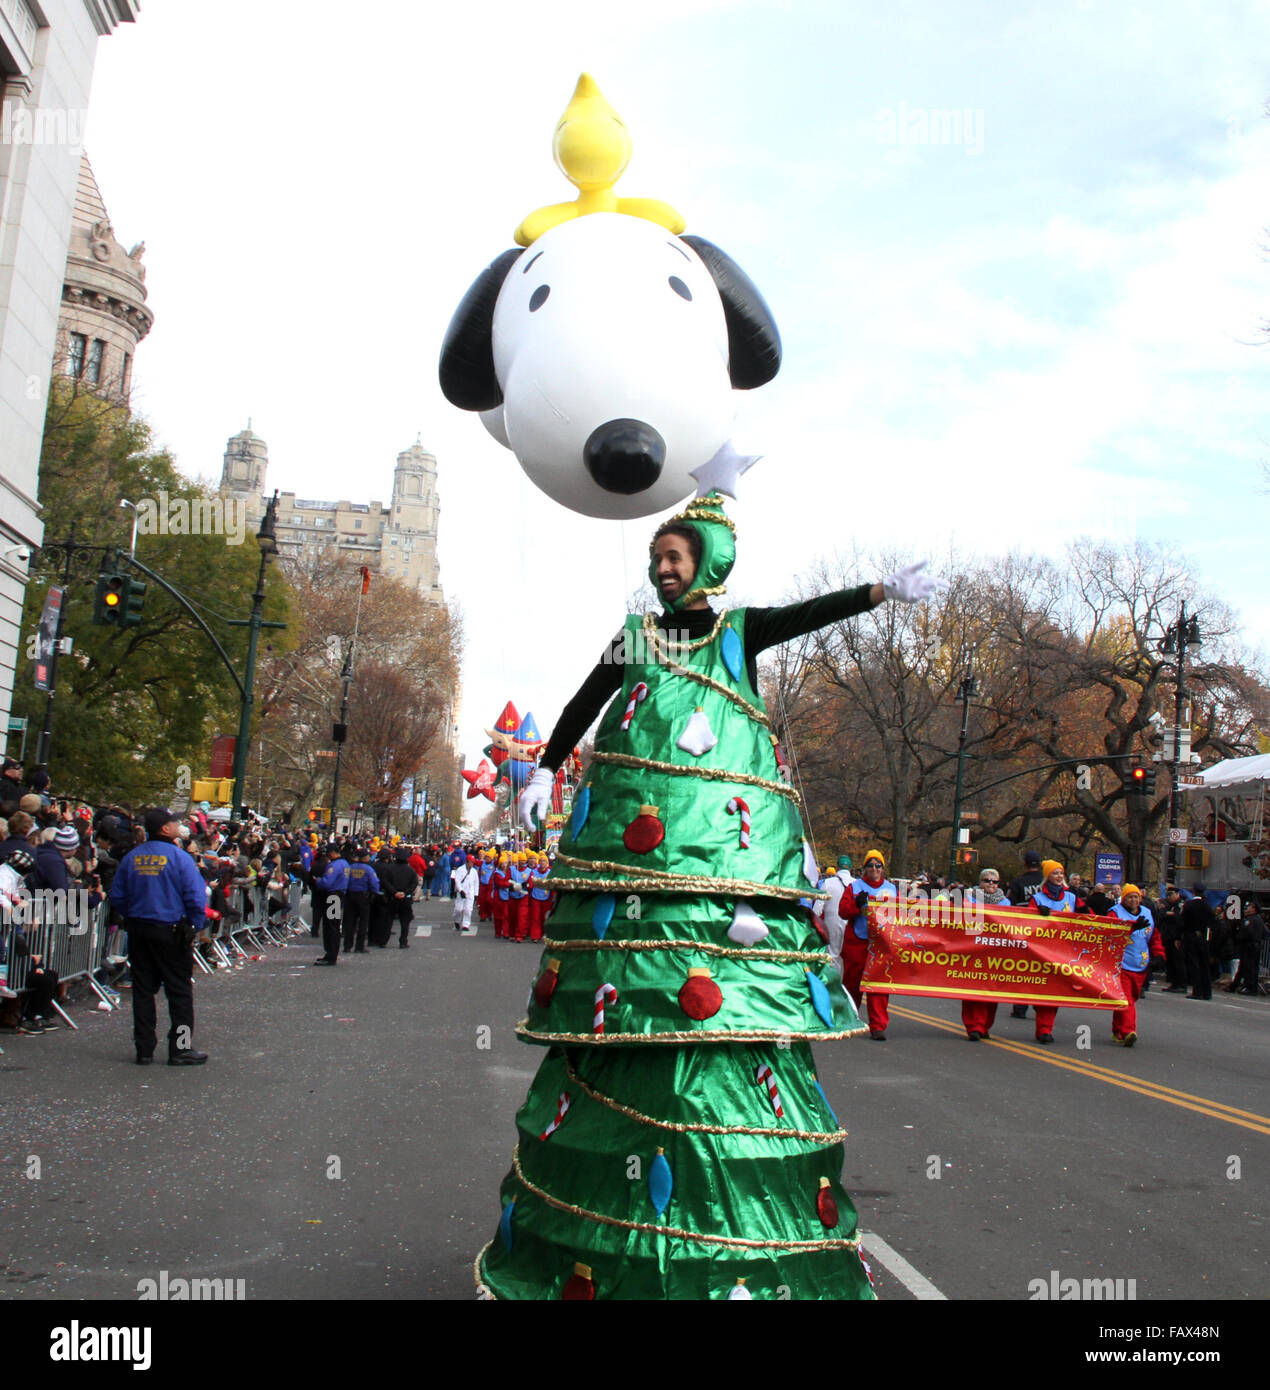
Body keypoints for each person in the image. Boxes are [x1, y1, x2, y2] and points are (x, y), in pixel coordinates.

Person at [491, 493, 944, 1300]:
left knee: (721, 994)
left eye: (676, 558)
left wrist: (879, 592)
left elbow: (811, 613)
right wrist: (550, 768)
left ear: (708, 563)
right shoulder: (634, 637)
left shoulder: (738, 633)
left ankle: (738, 1206)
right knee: (635, 992)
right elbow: (584, 703)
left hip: (730, 857)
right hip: (635, 848)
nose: (663, 571)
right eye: (656, 559)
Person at [107, 807, 209, 1065]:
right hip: (171, 930)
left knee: (142, 990)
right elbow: (195, 897)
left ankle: (144, 1049)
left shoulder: (132, 857)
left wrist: (134, 914)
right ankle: (180, 1048)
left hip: (140, 929)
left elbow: (117, 896)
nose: (178, 825)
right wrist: (195, 925)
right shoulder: (180, 858)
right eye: (174, 822)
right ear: (165, 829)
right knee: (179, 992)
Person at [843, 850, 897, 1040]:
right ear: (864, 868)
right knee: (852, 983)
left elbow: (899, 916)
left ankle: (878, 1025)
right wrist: (856, 906)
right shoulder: (854, 887)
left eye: (878, 865)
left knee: (879, 985)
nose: (874, 869)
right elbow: (843, 911)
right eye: (870, 865)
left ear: (882, 869)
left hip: (881, 944)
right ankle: (849, 1019)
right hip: (858, 942)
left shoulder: (892, 889)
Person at [1027, 859, 1078, 1044]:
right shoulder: (1038, 898)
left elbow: (1089, 916)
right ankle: (1043, 1027)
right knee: (1044, 989)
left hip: (1063, 952)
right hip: (1042, 951)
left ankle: (1045, 1027)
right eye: (1055, 873)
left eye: (1061, 873)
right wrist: (1036, 914)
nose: (1058, 876)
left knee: (1054, 991)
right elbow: (1027, 924)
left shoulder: (1072, 898)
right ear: (1048, 876)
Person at [1108, 884, 1160, 1046]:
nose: (1133, 900)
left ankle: (1117, 1030)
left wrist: (1159, 955)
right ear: (1124, 899)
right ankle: (1128, 1031)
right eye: (1130, 897)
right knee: (1126, 999)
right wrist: (1130, 928)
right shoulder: (1114, 912)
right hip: (1121, 964)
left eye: (1136, 897)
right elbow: (1109, 934)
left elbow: (1154, 936)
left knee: (1132, 997)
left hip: (1141, 964)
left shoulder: (1147, 913)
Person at [961, 867, 1008, 1039]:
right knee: (972, 991)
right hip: (972, 950)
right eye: (987, 880)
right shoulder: (968, 899)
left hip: (995, 953)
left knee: (991, 992)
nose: (991, 884)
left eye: (994, 881)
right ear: (980, 882)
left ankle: (985, 1025)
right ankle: (973, 1026)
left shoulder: (1005, 903)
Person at [812, 854, 855, 976]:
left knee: (832, 955)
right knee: (847, 956)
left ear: (837, 867)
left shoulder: (828, 883)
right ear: (850, 868)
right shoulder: (856, 883)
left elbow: (817, 909)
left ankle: (833, 985)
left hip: (832, 923)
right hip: (851, 925)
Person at [311, 843, 349, 965]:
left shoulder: (334, 866)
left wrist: (318, 881)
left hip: (333, 896)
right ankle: (331, 954)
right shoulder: (345, 864)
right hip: (340, 894)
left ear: (332, 853)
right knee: (334, 924)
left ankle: (331, 955)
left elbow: (327, 882)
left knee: (330, 926)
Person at [379, 846, 419, 947]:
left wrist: (394, 892)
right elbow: (414, 883)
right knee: (405, 922)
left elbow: (385, 882)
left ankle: (383, 941)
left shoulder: (389, 869)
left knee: (388, 921)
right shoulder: (410, 870)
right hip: (405, 899)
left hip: (392, 897)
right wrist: (405, 893)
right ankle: (403, 942)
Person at [343, 845, 380, 953]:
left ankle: (347, 945)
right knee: (363, 922)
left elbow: (345, 880)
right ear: (365, 858)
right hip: (363, 897)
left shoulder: (350, 868)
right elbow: (374, 883)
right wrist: (374, 893)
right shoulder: (368, 869)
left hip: (350, 896)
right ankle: (359, 946)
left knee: (350, 922)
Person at [1180, 883, 1214, 1000]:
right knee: (1204, 964)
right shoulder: (1207, 905)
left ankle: (1197, 991)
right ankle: (1207, 992)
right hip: (1203, 937)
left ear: (1193, 891)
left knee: (1194, 964)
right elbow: (1212, 922)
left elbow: (1183, 921)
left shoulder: (1189, 905)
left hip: (1191, 936)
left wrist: (1180, 936)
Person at [1230, 901, 1264, 995]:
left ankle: (1249, 987)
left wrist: (1238, 937)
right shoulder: (1260, 920)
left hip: (1249, 946)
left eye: (1249, 907)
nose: (1247, 909)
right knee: (1249, 967)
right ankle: (1235, 985)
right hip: (1256, 946)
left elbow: (1246, 933)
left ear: (1254, 909)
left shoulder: (1250, 920)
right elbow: (1265, 932)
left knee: (1248, 967)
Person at [452, 853, 480, 933]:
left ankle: (466, 924)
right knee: (459, 909)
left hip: (470, 893)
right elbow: (457, 880)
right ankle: (457, 920)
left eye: (473, 862)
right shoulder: (460, 869)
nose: (472, 864)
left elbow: (476, 883)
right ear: (467, 862)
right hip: (461, 892)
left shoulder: (474, 871)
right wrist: (460, 890)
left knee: (468, 910)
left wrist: (476, 894)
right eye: (470, 862)